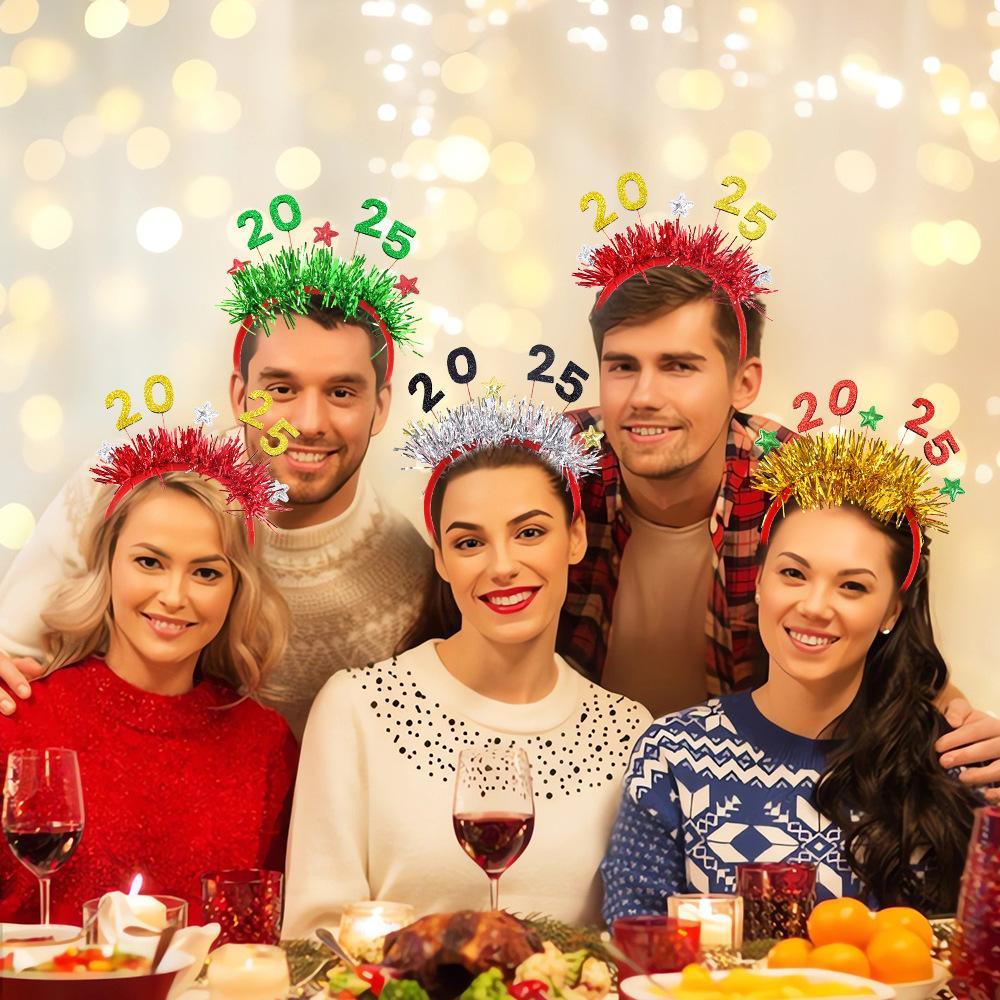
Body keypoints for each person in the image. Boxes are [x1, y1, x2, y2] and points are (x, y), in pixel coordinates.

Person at [559, 258, 998, 789]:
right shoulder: (551, 471)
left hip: (740, 793)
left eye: (679, 366)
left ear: (744, 383)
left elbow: (881, 627)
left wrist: (965, 729)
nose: (644, 396)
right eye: (623, 366)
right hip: (566, 784)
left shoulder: (799, 489)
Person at [0, 246, 433, 739]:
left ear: (379, 407)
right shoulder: (128, 487)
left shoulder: (413, 574)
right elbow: (13, 654)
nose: (309, 424)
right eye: (282, 390)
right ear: (239, 395)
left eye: (341, 393)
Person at [283, 398, 652, 934]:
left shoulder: (627, 731)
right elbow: (314, 936)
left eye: (530, 533)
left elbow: (628, 950)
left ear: (574, 538)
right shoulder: (357, 708)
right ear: (441, 558)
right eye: (470, 542)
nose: (502, 566)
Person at [601, 432, 983, 921]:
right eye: (793, 574)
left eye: (852, 586)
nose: (814, 606)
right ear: (759, 582)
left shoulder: (951, 760)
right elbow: (632, 947)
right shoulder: (672, 755)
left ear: (892, 609)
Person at [0, 450, 299, 924]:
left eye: (206, 572)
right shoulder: (20, 721)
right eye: (149, 562)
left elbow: (266, 942)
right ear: (108, 563)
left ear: (237, 589)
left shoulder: (265, 744)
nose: (174, 596)